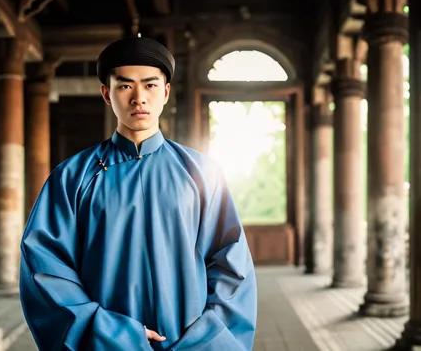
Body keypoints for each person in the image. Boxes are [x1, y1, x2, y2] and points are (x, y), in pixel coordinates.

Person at [19, 36, 257, 351]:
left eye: (150, 85)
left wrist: (205, 340)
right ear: (107, 93)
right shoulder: (71, 178)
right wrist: (111, 333)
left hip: (189, 339)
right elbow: (45, 268)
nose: (139, 98)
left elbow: (232, 264)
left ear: (166, 92)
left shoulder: (202, 173)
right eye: (125, 86)